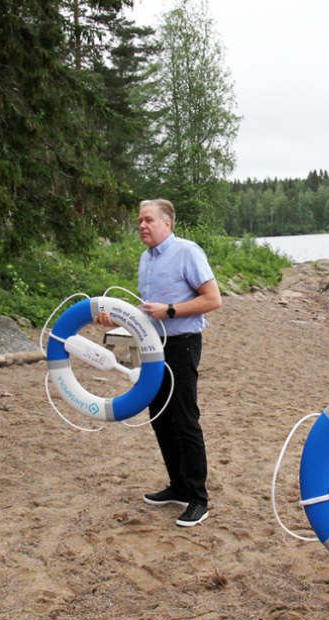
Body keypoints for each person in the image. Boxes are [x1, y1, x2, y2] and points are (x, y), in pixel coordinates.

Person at [102, 199, 222, 527]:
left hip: (182, 345)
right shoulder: (146, 258)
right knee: (159, 418)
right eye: (139, 220)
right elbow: (146, 310)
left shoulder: (187, 251)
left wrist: (170, 310)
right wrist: (113, 317)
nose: (142, 225)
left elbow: (213, 299)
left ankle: (199, 499)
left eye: (148, 220)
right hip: (152, 346)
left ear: (167, 223)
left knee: (185, 420)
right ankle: (179, 486)